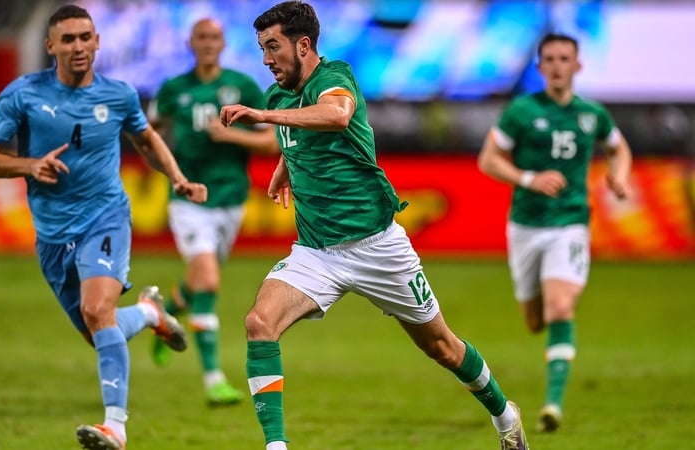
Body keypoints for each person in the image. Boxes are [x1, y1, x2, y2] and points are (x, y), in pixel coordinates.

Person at [219, 2, 530, 449]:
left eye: (273, 47)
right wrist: (285, 167)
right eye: (262, 48)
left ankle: (505, 417)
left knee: (441, 347)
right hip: (317, 251)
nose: (266, 59)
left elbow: (336, 116)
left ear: (303, 45)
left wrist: (263, 118)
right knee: (259, 322)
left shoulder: (335, 78)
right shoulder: (279, 95)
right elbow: (298, 135)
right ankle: (276, 446)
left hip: (378, 248)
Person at [0, 5, 207, 450]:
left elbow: (147, 139)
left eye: (85, 37)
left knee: (98, 312)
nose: (78, 47)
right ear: (50, 46)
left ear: (98, 41)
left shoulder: (119, 95)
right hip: (52, 234)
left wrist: (177, 177)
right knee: (98, 330)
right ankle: (150, 313)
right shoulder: (23, 95)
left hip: (105, 217)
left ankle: (115, 427)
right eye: (68, 39)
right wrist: (29, 165)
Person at [477, 32, 632, 433]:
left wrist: (618, 177)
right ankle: (549, 325)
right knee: (535, 320)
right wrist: (529, 178)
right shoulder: (522, 111)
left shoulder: (592, 114)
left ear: (578, 65)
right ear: (540, 66)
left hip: (570, 223)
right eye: (550, 58)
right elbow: (488, 159)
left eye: (565, 58)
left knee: (561, 308)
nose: (558, 65)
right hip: (526, 226)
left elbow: (618, 148)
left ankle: (552, 406)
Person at [146, 17, 279, 407]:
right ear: (190, 43)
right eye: (201, 37)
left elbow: (272, 142)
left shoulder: (243, 87)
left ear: (223, 44)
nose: (208, 43)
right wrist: (168, 171)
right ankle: (214, 380)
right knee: (207, 282)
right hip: (190, 200)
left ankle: (162, 317)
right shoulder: (174, 89)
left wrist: (230, 134)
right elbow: (148, 133)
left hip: (231, 198)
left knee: (199, 281)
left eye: (214, 37)